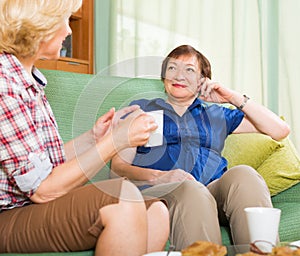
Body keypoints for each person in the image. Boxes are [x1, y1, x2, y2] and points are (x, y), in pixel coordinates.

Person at [0, 0, 169, 255]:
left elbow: (42, 166)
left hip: (26, 204)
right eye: (64, 19)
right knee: (124, 197)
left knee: (156, 211)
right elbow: (43, 190)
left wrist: (95, 137)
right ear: (39, 24)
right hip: (8, 214)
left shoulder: (28, 79)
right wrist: (115, 142)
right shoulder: (6, 85)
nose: (68, 30)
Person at [111, 44, 290, 249]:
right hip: (162, 192)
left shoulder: (218, 114)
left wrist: (231, 97)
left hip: (213, 192)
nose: (179, 76)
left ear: (202, 81)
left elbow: (280, 130)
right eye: (172, 68)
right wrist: (160, 176)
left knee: (245, 175)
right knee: (191, 189)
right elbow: (117, 169)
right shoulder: (141, 110)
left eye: (189, 70)